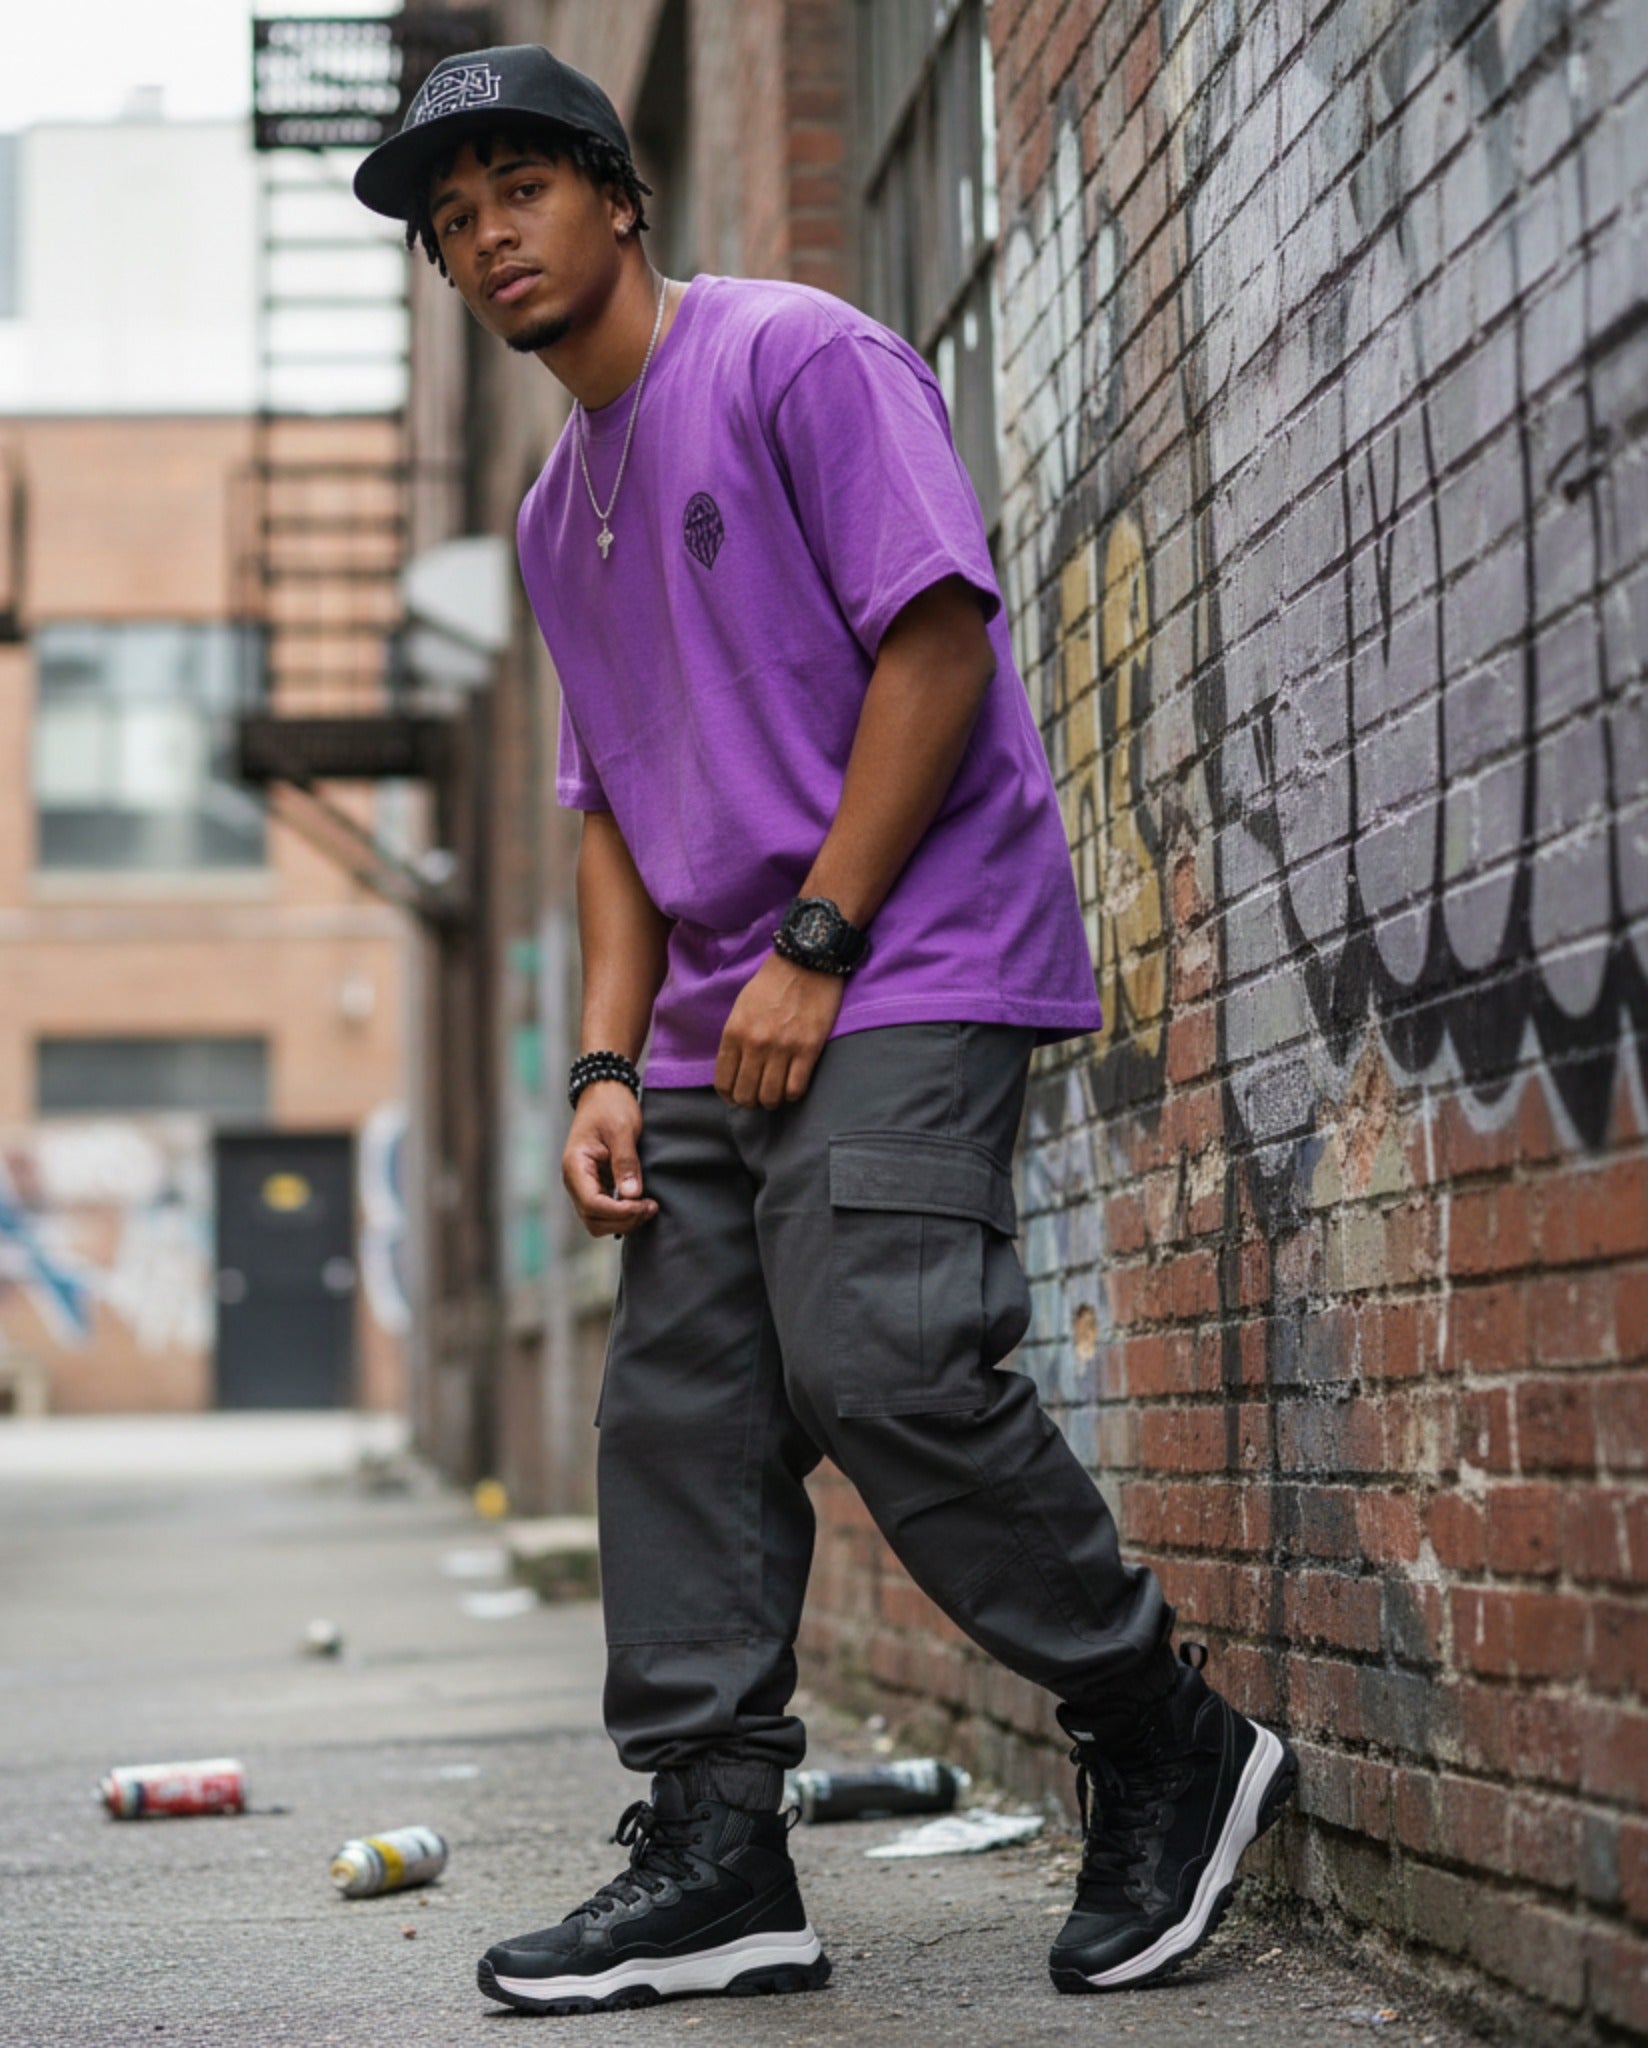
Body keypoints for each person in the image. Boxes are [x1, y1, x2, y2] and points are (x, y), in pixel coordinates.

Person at [353, 42, 1297, 2016]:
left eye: (517, 186)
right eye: (451, 226)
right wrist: (606, 1063)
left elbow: (936, 642)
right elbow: (612, 805)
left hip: (913, 943)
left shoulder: (797, 358)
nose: (486, 236)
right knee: (680, 1406)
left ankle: (1161, 1727)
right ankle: (714, 1851)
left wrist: (815, 933)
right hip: (716, 1005)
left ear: (620, 197)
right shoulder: (548, 513)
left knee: (878, 1346)